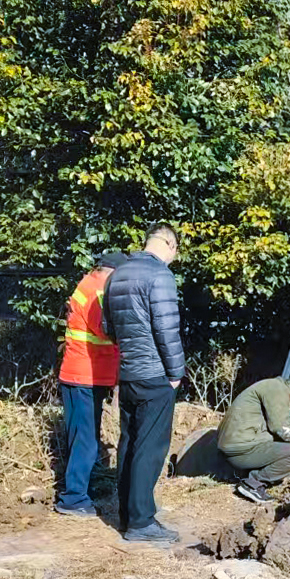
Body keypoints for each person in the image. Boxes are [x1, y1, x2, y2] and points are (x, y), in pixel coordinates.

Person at [104, 223, 185, 544]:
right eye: (175, 252)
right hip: (155, 375)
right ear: (168, 243)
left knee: (129, 443)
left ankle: (129, 514)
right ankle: (141, 523)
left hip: (128, 373)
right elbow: (168, 330)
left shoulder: (117, 274)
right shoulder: (160, 276)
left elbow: (107, 326)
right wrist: (176, 372)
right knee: (150, 448)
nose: (173, 260)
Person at [55, 251, 127, 518]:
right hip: (83, 376)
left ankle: (78, 491)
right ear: (113, 272)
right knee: (85, 440)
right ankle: (73, 499)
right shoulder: (98, 291)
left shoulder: (89, 284)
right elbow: (107, 331)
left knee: (83, 438)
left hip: (83, 375)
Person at [217, 378, 290, 504]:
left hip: (234, 447)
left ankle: (247, 476)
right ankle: (253, 485)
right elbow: (281, 428)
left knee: (284, 445)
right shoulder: (279, 389)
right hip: (241, 450)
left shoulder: (270, 387)